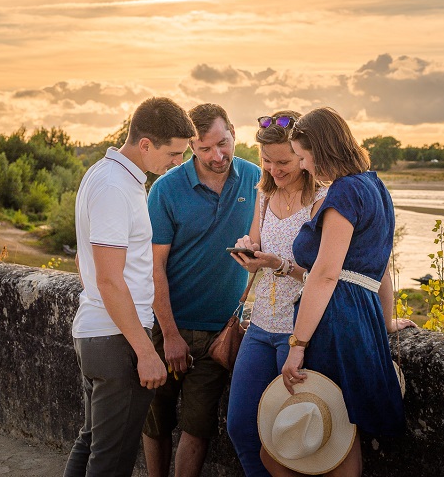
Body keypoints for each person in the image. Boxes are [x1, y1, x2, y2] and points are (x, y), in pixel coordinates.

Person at [263, 107, 415, 477]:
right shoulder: (375, 186)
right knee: (343, 433)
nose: (304, 165)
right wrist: (383, 324)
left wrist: (297, 347)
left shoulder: (344, 193)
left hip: (336, 318)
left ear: (322, 149)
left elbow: (325, 275)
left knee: (318, 434)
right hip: (360, 318)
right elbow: (380, 273)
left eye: (303, 156)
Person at [64, 97, 196, 477]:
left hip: (101, 332)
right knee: (111, 460)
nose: (177, 163)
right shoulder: (114, 186)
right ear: (144, 144)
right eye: (173, 153)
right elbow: (108, 278)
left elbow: (83, 262)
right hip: (116, 339)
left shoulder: (106, 175)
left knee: (91, 444)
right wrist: (145, 351)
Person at [142, 103, 261, 477]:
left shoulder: (258, 179)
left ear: (235, 135)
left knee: (198, 429)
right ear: (191, 146)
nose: (217, 155)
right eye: (205, 148)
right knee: (156, 423)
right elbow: (154, 267)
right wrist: (171, 335)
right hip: (166, 328)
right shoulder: (165, 189)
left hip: (220, 333)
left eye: (223, 144)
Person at [226, 111, 328, 477]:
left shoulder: (322, 199)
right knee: (240, 426)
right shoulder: (263, 195)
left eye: (283, 161)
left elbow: (326, 275)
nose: (273, 170)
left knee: (295, 434)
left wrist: (282, 266)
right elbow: (256, 242)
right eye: (266, 161)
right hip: (260, 326)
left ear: (303, 156)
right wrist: (248, 252)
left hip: (297, 331)